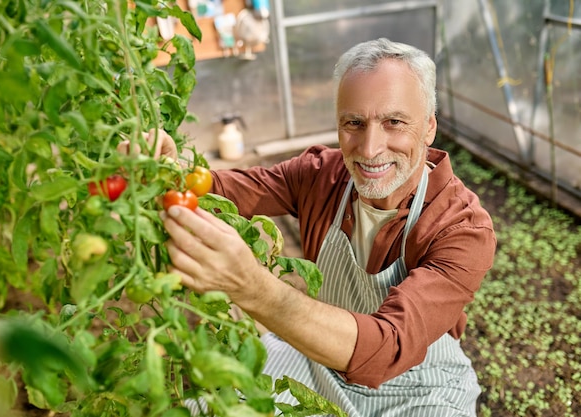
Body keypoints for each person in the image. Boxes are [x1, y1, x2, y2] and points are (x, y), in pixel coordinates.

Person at [159, 38, 496, 417]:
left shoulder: (461, 228)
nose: (369, 149)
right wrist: (172, 171)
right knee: (207, 409)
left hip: (420, 386)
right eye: (354, 123)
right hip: (318, 360)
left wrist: (252, 287)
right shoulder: (321, 175)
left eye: (394, 123)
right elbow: (223, 190)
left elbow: (388, 347)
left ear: (429, 127)